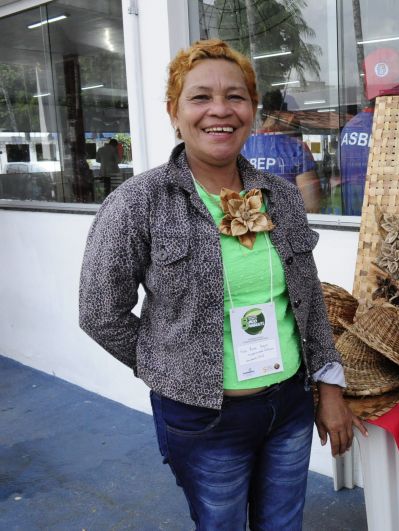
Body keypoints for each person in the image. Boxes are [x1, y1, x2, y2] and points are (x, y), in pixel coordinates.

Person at [78, 39, 366, 530]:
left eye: (235, 97)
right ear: (174, 111)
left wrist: (329, 386)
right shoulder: (138, 203)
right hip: (205, 419)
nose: (220, 110)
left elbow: (308, 299)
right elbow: (100, 312)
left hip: (289, 407)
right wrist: (172, 365)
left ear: (252, 111)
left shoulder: (278, 195)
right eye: (200, 97)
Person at [339, 48, 399, 216]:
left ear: (366, 91)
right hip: (386, 226)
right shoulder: (398, 129)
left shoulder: (349, 128)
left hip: (352, 221)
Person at [241, 89, 322, 212]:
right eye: (296, 118)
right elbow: (311, 205)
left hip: (246, 224)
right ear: (288, 117)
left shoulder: (240, 146)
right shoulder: (296, 148)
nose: (297, 122)